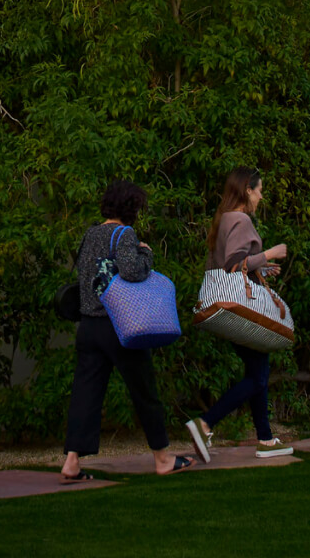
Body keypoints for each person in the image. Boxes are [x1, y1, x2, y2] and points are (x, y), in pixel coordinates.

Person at [60, 180, 193, 481]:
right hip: (120, 326)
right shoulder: (124, 234)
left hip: (88, 326)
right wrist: (145, 254)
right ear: (132, 208)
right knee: (145, 391)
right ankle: (163, 459)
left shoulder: (90, 233)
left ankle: (71, 462)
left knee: (85, 395)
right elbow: (132, 272)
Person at [186, 167, 296, 461]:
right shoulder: (240, 218)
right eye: (259, 191)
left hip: (229, 306)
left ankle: (265, 439)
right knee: (258, 377)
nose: (261, 197)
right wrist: (270, 253)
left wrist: (262, 268)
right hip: (242, 308)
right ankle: (205, 423)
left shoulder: (224, 218)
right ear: (248, 190)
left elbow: (233, 263)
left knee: (258, 374)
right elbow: (234, 265)